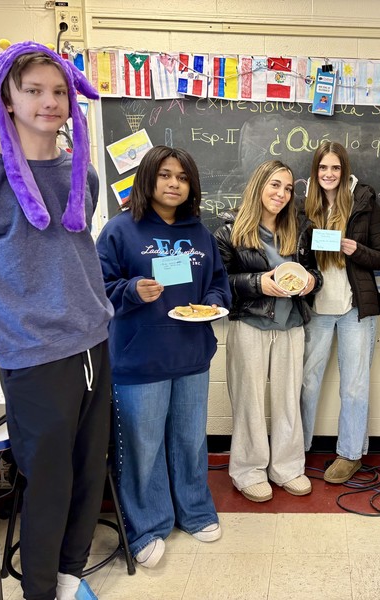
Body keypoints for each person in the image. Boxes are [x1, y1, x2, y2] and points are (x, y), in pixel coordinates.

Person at [0, 42, 110, 600]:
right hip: (35, 356)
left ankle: (67, 578)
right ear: (6, 99)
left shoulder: (78, 170)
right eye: (33, 90)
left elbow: (75, 250)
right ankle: (39, 591)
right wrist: (21, 310)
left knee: (89, 475)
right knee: (49, 484)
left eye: (59, 91)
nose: (49, 102)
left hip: (94, 342)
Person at [96, 146, 231, 568]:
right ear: (148, 179)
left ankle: (194, 511)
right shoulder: (120, 230)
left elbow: (218, 284)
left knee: (191, 441)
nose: (174, 184)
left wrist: (211, 301)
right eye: (165, 175)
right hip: (139, 361)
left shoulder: (201, 234)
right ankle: (146, 526)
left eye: (183, 177)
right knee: (142, 447)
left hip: (191, 356)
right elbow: (97, 288)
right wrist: (131, 290)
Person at [215, 160, 321, 502]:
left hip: (291, 326)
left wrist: (309, 283)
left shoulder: (300, 228)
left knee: (289, 400)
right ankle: (248, 470)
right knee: (249, 401)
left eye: (288, 188)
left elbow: (314, 273)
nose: (282, 194)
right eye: (275, 185)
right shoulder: (229, 230)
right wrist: (258, 282)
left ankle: (288, 467)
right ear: (260, 185)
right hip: (250, 323)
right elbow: (221, 284)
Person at [299, 141, 380, 484]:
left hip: (355, 308)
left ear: (344, 170)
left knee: (354, 385)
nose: (329, 174)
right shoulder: (303, 203)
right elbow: (295, 253)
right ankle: (297, 448)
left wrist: (355, 249)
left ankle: (350, 453)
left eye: (335, 168)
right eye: (323, 168)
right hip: (316, 307)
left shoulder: (364, 201)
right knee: (307, 382)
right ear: (315, 171)